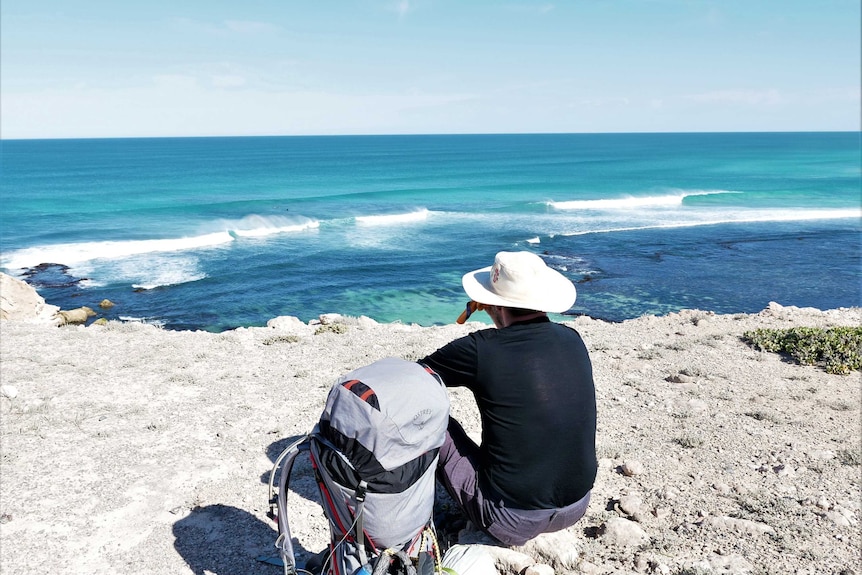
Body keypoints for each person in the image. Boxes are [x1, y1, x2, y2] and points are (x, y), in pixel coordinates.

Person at [419, 251, 597, 547]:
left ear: (490, 303)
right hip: (577, 505)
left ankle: (415, 516)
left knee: (431, 418)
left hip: (511, 519)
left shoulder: (479, 349)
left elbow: (416, 379)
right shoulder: (573, 338)